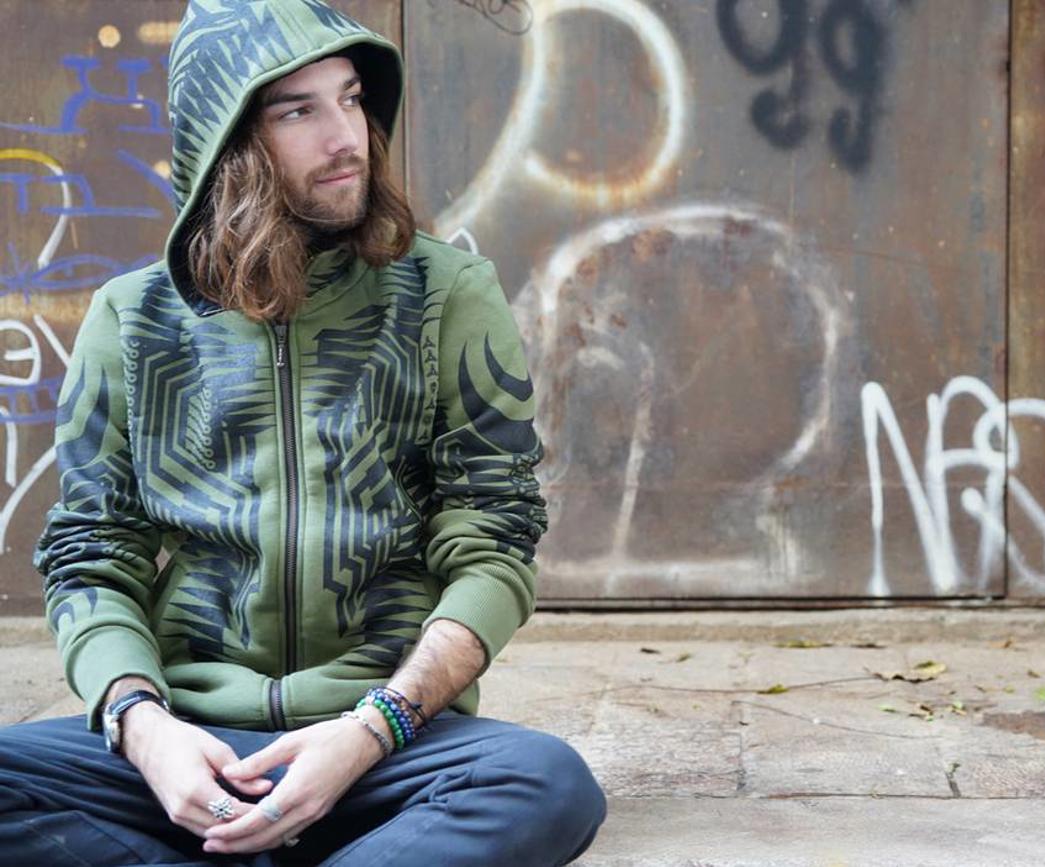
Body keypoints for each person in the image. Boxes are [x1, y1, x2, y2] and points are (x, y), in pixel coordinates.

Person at [0, 0, 606, 863]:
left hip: (381, 743)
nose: (346, 135)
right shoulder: (132, 320)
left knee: (545, 781)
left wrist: (373, 727)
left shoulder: (447, 295)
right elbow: (92, 552)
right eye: (298, 111)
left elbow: (495, 543)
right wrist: (144, 728)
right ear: (225, 140)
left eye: (352, 98)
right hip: (190, 744)